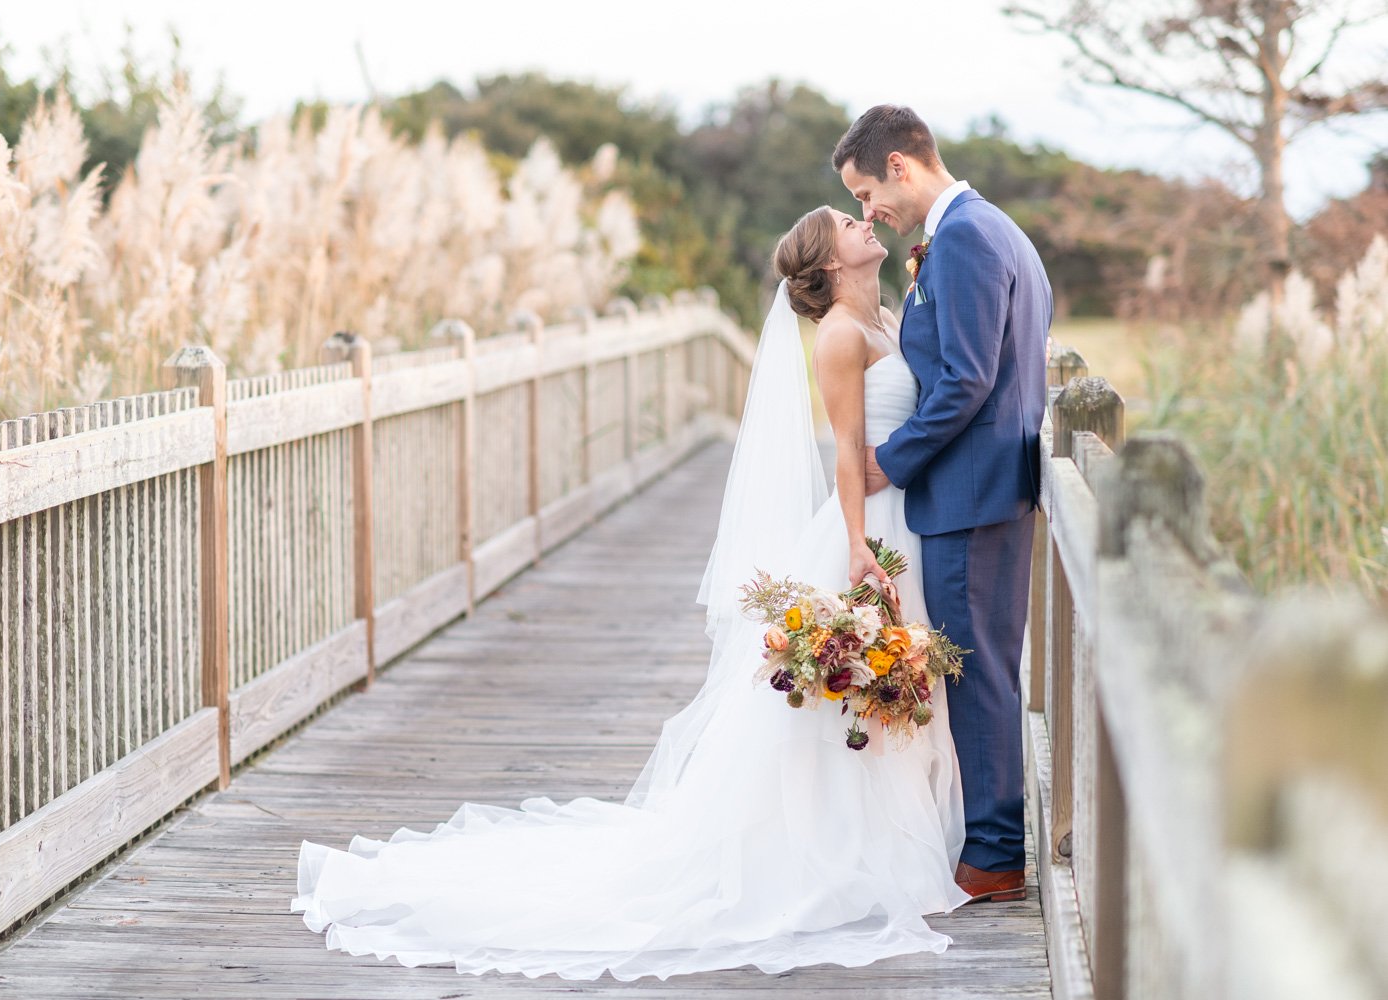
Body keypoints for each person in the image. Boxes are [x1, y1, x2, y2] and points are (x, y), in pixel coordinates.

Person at [293, 206, 969, 981]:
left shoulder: (888, 315)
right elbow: (845, 450)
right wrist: (854, 545)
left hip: (906, 518)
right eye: (847, 224)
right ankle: (851, 849)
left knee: (890, 682)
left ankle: (898, 835)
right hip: (868, 528)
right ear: (829, 261)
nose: (864, 222)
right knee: (854, 694)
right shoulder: (842, 337)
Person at [834, 105, 1052, 902]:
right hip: (987, 486)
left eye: (866, 194)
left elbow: (965, 379)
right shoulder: (989, 228)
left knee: (976, 673)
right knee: (984, 666)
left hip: (971, 490)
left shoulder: (963, 238)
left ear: (899, 164)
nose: (869, 214)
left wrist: (892, 459)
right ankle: (992, 842)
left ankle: (994, 856)